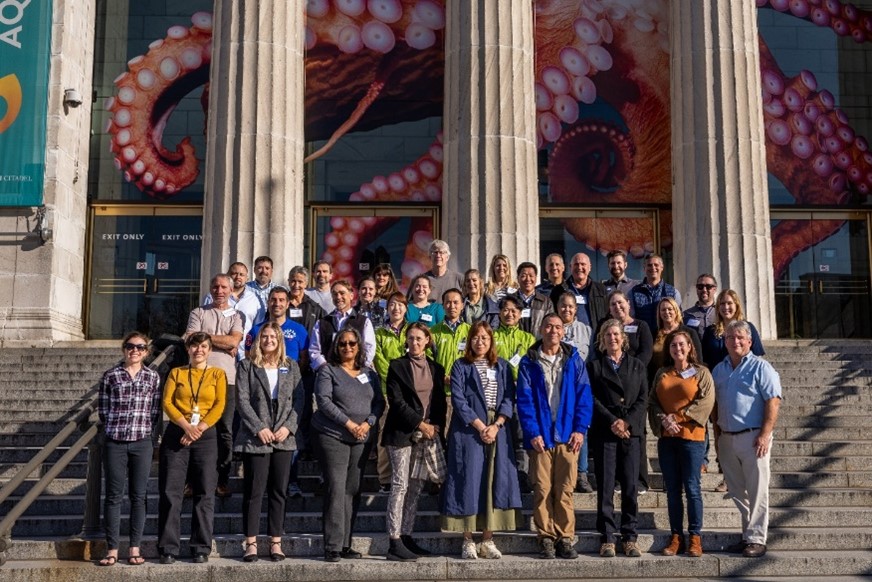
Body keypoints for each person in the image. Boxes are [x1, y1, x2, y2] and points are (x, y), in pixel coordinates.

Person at [442, 321, 522, 560]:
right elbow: (458, 399)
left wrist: (496, 425)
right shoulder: (460, 366)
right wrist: (479, 425)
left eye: (485, 338)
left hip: (498, 428)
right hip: (468, 429)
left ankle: (487, 539)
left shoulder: (503, 367)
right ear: (470, 341)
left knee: (493, 480)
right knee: (469, 478)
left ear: (491, 341)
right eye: (476, 338)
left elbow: (509, 398)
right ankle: (467, 539)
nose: (480, 342)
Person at [516, 314, 593, 560]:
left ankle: (565, 537)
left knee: (565, 489)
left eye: (558, 327)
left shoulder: (574, 361)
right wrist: (533, 433)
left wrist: (580, 429)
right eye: (549, 326)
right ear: (541, 329)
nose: (553, 331)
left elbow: (584, 397)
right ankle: (546, 537)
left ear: (563, 332)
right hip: (540, 436)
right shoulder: (529, 362)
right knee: (542, 488)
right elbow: (524, 401)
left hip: (567, 435)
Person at [312, 328, 385, 562]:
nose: (347, 347)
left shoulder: (369, 374)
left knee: (352, 490)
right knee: (336, 488)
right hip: (333, 435)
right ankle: (331, 546)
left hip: (362, 437)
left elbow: (379, 403)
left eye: (352, 343)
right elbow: (323, 401)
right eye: (342, 344)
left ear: (359, 346)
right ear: (336, 346)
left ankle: (345, 544)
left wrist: (369, 422)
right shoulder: (328, 371)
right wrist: (349, 423)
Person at [712, 321, 782, 558]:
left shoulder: (761, 367)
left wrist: (765, 434)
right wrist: (717, 436)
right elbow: (715, 406)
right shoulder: (718, 370)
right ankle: (747, 535)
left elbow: (773, 400)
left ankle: (757, 539)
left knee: (757, 490)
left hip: (754, 437)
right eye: (730, 337)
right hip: (726, 438)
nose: (735, 341)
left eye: (741, 337)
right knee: (736, 490)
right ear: (725, 341)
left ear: (750, 341)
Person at [234, 322, 304, 562]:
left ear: (280, 340)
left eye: (273, 336)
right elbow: (242, 401)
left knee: (278, 491)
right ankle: (251, 542)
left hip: (284, 436)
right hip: (256, 437)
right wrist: (259, 428)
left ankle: (276, 541)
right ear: (258, 339)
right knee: (254, 491)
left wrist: (288, 427)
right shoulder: (247, 366)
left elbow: (299, 400)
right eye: (265, 336)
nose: (269, 340)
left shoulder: (291, 366)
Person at [158, 332, 227, 564]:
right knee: (171, 491)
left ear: (210, 350)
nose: (199, 350)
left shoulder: (218, 374)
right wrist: (187, 426)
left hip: (205, 435)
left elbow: (219, 405)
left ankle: (200, 546)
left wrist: (198, 428)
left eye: (204, 346)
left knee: (205, 492)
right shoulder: (177, 372)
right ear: (188, 349)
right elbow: (167, 402)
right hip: (178, 432)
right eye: (195, 346)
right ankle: (168, 547)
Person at [382, 323, 448, 561]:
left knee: (416, 487)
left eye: (419, 338)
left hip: (427, 435)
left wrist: (436, 427)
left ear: (427, 340)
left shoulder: (436, 368)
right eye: (410, 338)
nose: (415, 343)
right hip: (402, 433)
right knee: (400, 485)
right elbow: (397, 403)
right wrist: (421, 424)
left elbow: (439, 401)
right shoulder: (397, 366)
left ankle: (407, 535)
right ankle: (394, 540)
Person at [649, 330, 715, 558]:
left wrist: (678, 417)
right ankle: (676, 536)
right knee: (673, 492)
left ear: (689, 347)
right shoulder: (661, 373)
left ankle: (695, 537)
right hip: (668, 439)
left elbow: (706, 401)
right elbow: (653, 402)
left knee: (693, 489)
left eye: (681, 344)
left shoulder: (702, 372)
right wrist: (664, 420)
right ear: (669, 350)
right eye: (673, 345)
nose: (677, 348)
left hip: (692, 439)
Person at [97, 332, 161, 567]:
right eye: (130, 346)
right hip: (115, 441)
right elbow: (103, 410)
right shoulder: (110, 376)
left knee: (139, 496)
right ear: (124, 349)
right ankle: (112, 549)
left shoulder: (153, 377)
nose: (135, 351)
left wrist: (146, 433)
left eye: (140, 347)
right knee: (113, 496)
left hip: (141, 442)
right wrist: (115, 428)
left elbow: (155, 411)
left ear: (146, 352)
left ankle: (134, 547)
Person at [587, 320, 648, 558]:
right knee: (606, 487)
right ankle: (608, 537)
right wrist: (613, 420)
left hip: (630, 433)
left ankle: (630, 536)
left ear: (623, 338)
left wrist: (627, 422)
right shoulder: (595, 367)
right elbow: (592, 398)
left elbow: (643, 398)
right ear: (602, 340)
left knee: (631, 486)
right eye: (607, 335)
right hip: (606, 431)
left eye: (615, 334)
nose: (612, 338)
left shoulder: (636, 365)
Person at [185, 273, 243, 498]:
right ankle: (193, 480)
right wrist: (221, 340)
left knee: (225, 431)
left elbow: (234, 341)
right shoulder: (198, 312)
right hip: (198, 378)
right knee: (195, 426)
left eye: (223, 287)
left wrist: (205, 337)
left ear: (231, 290)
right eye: (215, 286)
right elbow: (190, 338)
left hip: (227, 380)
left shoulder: (236, 315)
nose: (219, 290)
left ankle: (221, 480)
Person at [492, 295, 536, 492]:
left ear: (520, 314)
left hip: (521, 395)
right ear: (500, 312)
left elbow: (534, 368)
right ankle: (500, 478)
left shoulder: (528, 339)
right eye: (506, 310)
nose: (509, 314)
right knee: (500, 436)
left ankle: (522, 476)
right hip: (497, 394)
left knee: (520, 436)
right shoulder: (491, 337)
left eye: (514, 311)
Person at [373, 291, 411, 493]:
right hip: (387, 391)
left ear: (406, 308)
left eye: (400, 305)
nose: (396, 308)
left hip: (410, 393)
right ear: (387, 308)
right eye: (392, 305)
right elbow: (379, 361)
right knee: (384, 434)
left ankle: (409, 477)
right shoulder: (379, 333)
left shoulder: (412, 331)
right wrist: (398, 380)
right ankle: (385, 479)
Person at [309, 279, 376, 371]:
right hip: (329, 373)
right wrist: (326, 367)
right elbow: (314, 350)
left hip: (355, 373)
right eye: (335, 294)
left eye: (342, 293)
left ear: (351, 296)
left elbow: (369, 348)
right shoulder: (322, 323)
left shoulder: (364, 322)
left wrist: (358, 367)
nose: (338, 297)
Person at [549, 253, 608, 352]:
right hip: (566, 340)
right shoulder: (559, 291)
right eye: (576, 264)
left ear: (590, 267)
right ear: (570, 267)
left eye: (583, 264)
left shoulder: (601, 289)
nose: (579, 267)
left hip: (596, 340)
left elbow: (606, 314)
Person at [203, 261, 261, 355]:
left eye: (241, 274)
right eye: (234, 273)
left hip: (245, 352)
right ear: (228, 275)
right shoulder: (212, 296)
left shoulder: (255, 300)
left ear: (247, 278)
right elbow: (205, 323)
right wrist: (225, 344)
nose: (238, 277)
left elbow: (257, 327)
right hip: (216, 350)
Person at [701, 289, 765, 370]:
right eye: (722, 304)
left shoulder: (748, 327)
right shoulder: (710, 331)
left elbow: (757, 356)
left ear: (736, 306)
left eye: (729, 303)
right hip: (717, 378)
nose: (726, 307)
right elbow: (705, 361)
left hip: (743, 377)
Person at [245, 286, 309, 366]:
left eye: (281, 300)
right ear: (268, 303)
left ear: (287, 304)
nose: (277, 304)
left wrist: (293, 376)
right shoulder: (256, 330)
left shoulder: (299, 330)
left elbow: (305, 359)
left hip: (291, 376)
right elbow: (248, 356)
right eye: (273, 300)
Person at [629, 254, 682, 334]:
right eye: (649, 265)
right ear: (644, 268)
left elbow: (679, 318)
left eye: (656, 265)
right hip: (642, 338)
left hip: (666, 338)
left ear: (662, 267)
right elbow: (631, 319)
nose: (653, 268)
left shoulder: (673, 292)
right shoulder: (634, 292)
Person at [599, 290, 653, 366]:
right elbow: (600, 350)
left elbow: (646, 353)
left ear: (628, 303)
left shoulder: (641, 326)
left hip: (635, 371)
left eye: (620, 302)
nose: (617, 306)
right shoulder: (605, 327)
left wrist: (631, 368)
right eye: (613, 304)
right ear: (610, 310)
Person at [513, 261, 554, 338]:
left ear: (536, 278)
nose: (528, 279)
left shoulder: (546, 302)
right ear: (518, 278)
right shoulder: (510, 300)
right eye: (524, 276)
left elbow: (550, 325)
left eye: (531, 276)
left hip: (538, 345)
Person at [287, 265, 326, 334]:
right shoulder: (279, 304)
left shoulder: (314, 308)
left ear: (306, 284)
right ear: (288, 282)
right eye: (293, 281)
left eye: (300, 282)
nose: (296, 285)